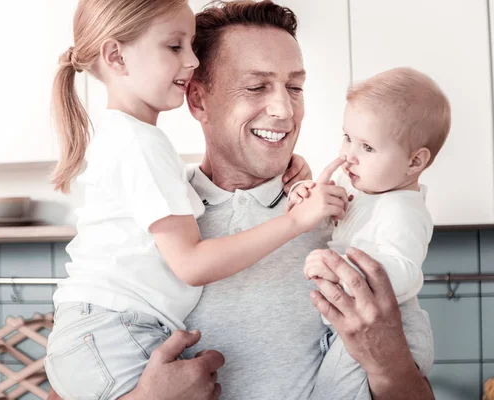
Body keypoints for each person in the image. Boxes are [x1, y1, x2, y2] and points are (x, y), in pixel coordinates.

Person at [48, 1, 435, 399]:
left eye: (295, 88)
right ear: (197, 100)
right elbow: (67, 384)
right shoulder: (146, 224)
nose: (284, 110)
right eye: (256, 87)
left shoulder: (341, 222)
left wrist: (387, 362)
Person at [292, 67, 450, 399]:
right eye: (347, 137)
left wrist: (338, 270)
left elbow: (404, 272)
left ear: (414, 162)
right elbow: (336, 235)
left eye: (367, 147)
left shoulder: (403, 209)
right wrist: (312, 205)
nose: (348, 154)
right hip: (358, 329)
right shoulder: (370, 197)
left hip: (395, 332)